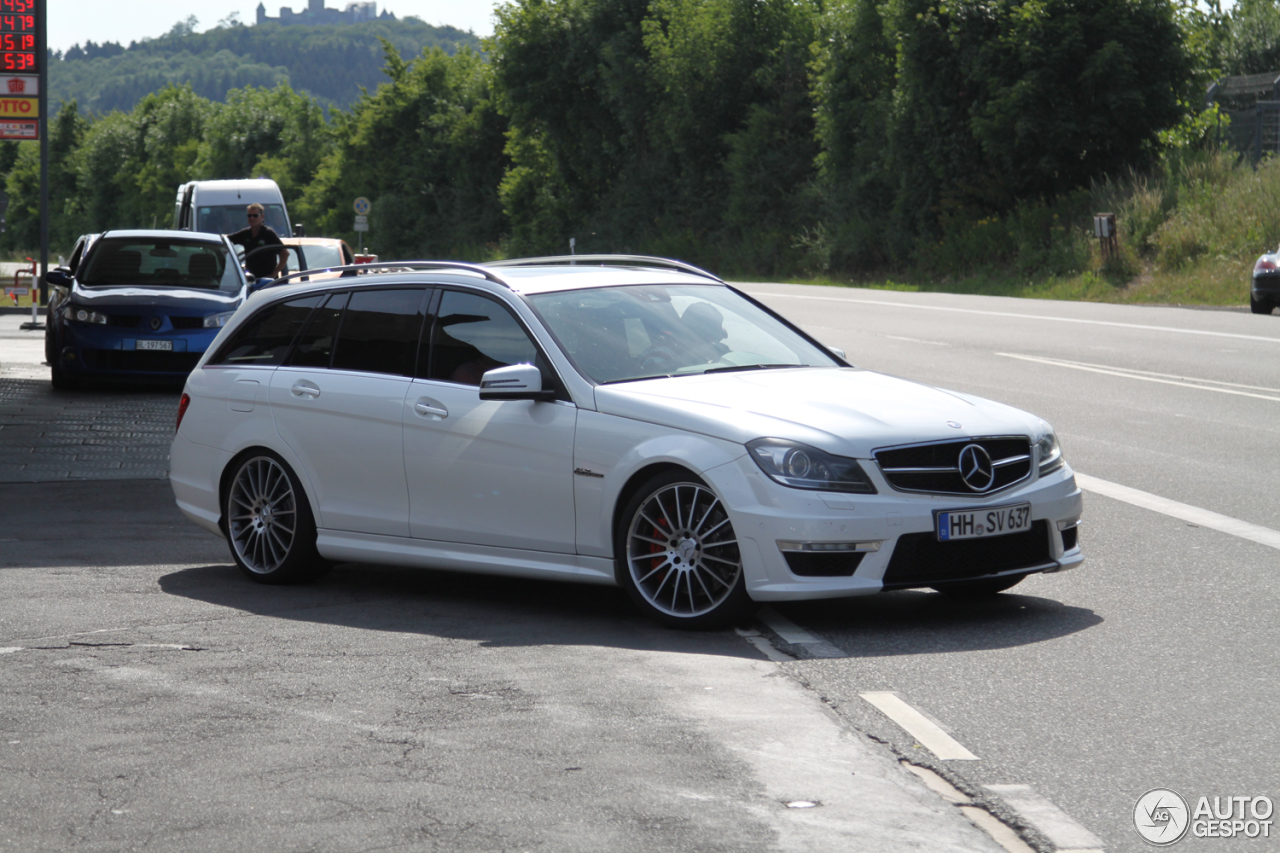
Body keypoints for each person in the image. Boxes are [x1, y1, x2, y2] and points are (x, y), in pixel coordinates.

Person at [227, 203, 288, 285]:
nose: (252, 218)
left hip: (267, 281)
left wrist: (274, 273)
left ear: (262, 217)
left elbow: (285, 253)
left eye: (255, 215)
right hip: (251, 280)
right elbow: (226, 240)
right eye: (249, 215)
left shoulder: (268, 233)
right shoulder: (246, 233)